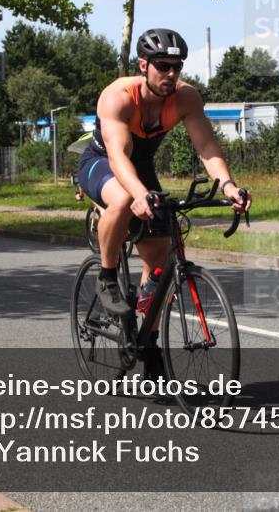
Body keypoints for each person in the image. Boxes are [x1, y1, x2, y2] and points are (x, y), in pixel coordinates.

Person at [76, 28, 251, 374]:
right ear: (144, 64)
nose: (171, 73)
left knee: (158, 263)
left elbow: (207, 147)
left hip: (140, 168)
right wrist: (139, 194)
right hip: (102, 162)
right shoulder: (118, 97)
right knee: (125, 198)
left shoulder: (186, 98)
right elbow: (118, 156)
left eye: (177, 66)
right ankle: (107, 276)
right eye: (162, 65)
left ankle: (148, 343)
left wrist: (229, 186)